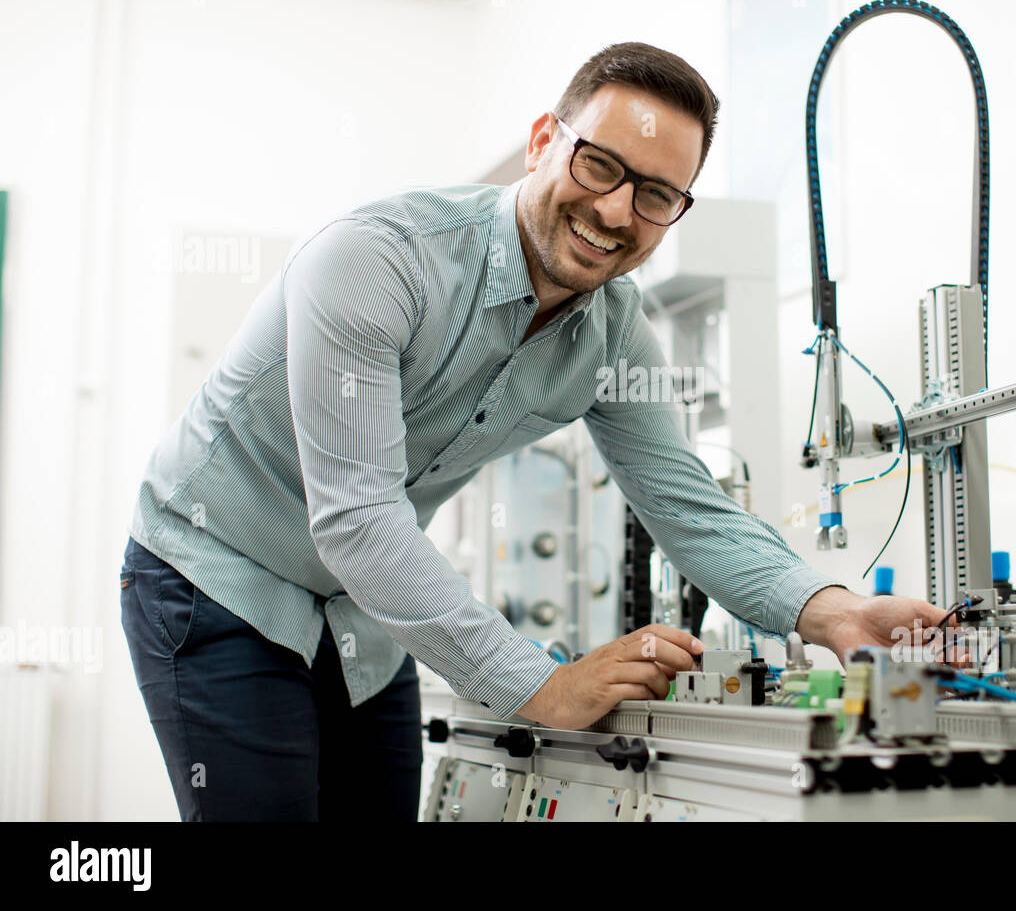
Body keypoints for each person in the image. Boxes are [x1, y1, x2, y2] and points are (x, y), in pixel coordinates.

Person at [121, 41, 952, 821]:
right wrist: (538, 686)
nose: (616, 210)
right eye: (598, 164)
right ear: (542, 142)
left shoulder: (617, 334)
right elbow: (359, 518)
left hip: (361, 617)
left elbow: (688, 509)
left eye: (656, 195)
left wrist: (830, 610)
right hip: (217, 574)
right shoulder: (378, 261)